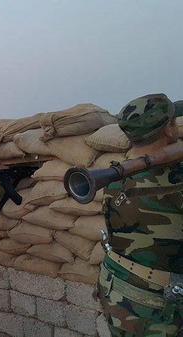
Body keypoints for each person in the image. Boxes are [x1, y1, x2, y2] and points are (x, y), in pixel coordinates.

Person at [97, 94, 182, 336]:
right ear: (170, 128)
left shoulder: (114, 177)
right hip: (158, 307)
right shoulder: (175, 180)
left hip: (116, 289)